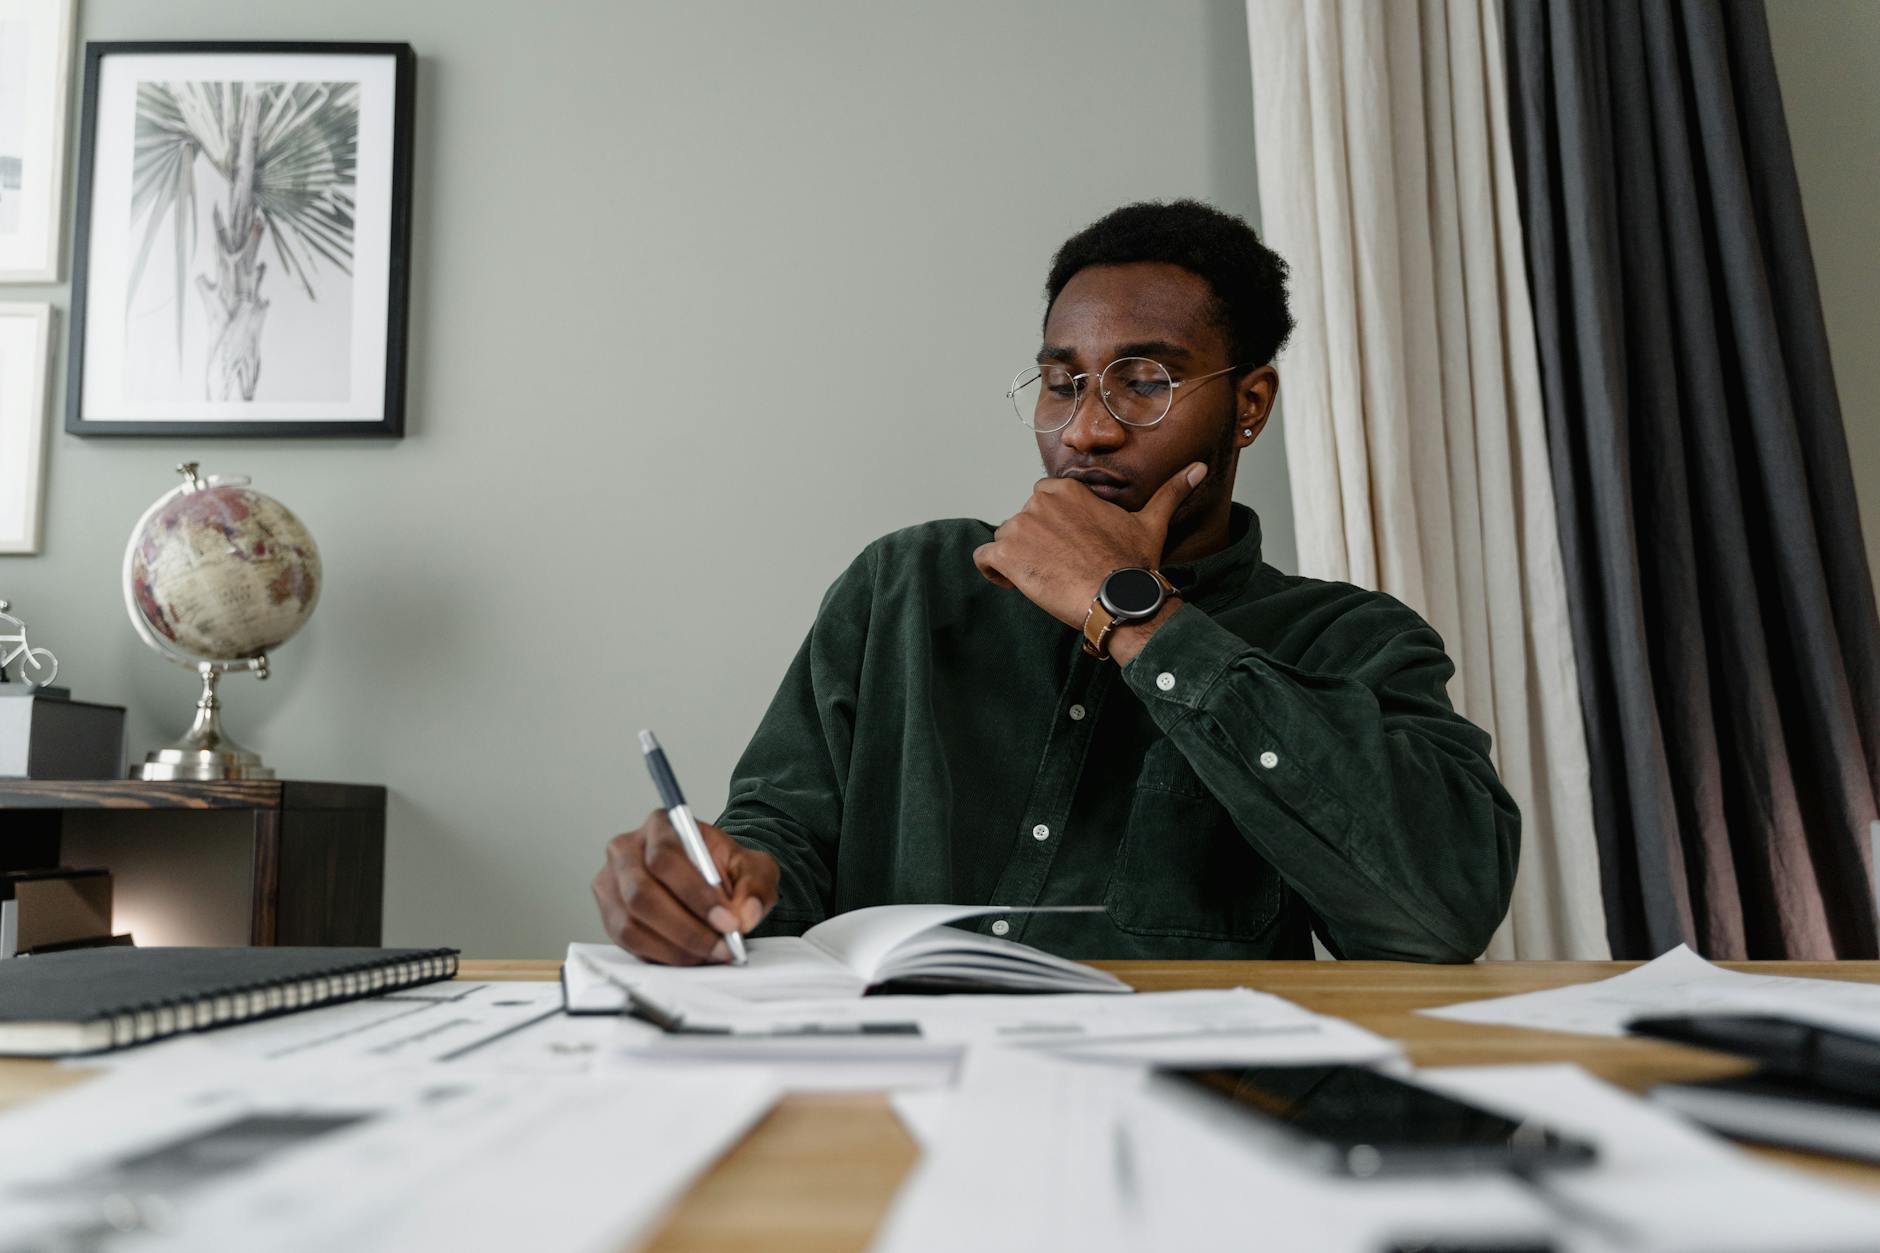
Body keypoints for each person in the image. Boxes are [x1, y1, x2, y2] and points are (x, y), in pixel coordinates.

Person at [593, 200, 1519, 965]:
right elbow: (782, 836)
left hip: (1188, 1126)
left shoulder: (1353, 640)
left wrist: (1136, 614)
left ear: (1250, 405)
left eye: (1144, 381)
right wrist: (715, 883)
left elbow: (1437, 915)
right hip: (886, 1104)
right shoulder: (906, 587)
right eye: (1062, 383)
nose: (1086, 432)